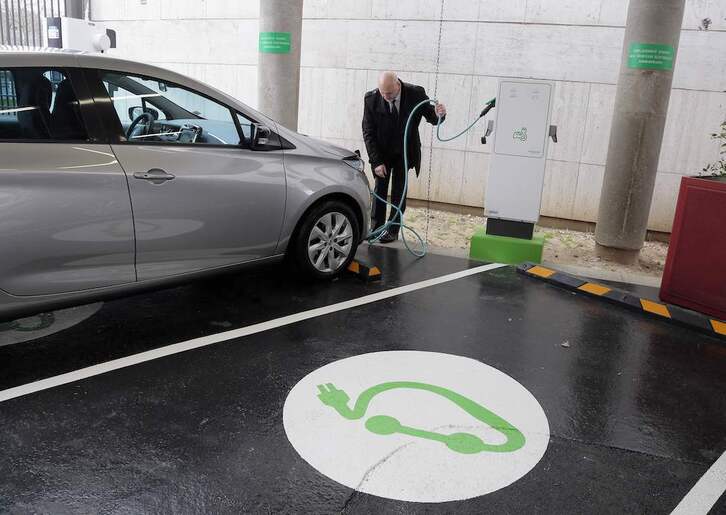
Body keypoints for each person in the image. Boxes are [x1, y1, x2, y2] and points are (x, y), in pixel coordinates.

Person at [362, 72, 447, 243]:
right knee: (380, 189)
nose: (386, 97)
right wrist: (376, 161)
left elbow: (432, 118)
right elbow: (368, 132)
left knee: (399, 191)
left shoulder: (416, 93)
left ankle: (392, 229)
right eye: (383, 93)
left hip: (405, 153)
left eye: (390, 94)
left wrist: (440, 114)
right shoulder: (371, 98)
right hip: (382, 153)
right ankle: (377, 227)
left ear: (398, 86)